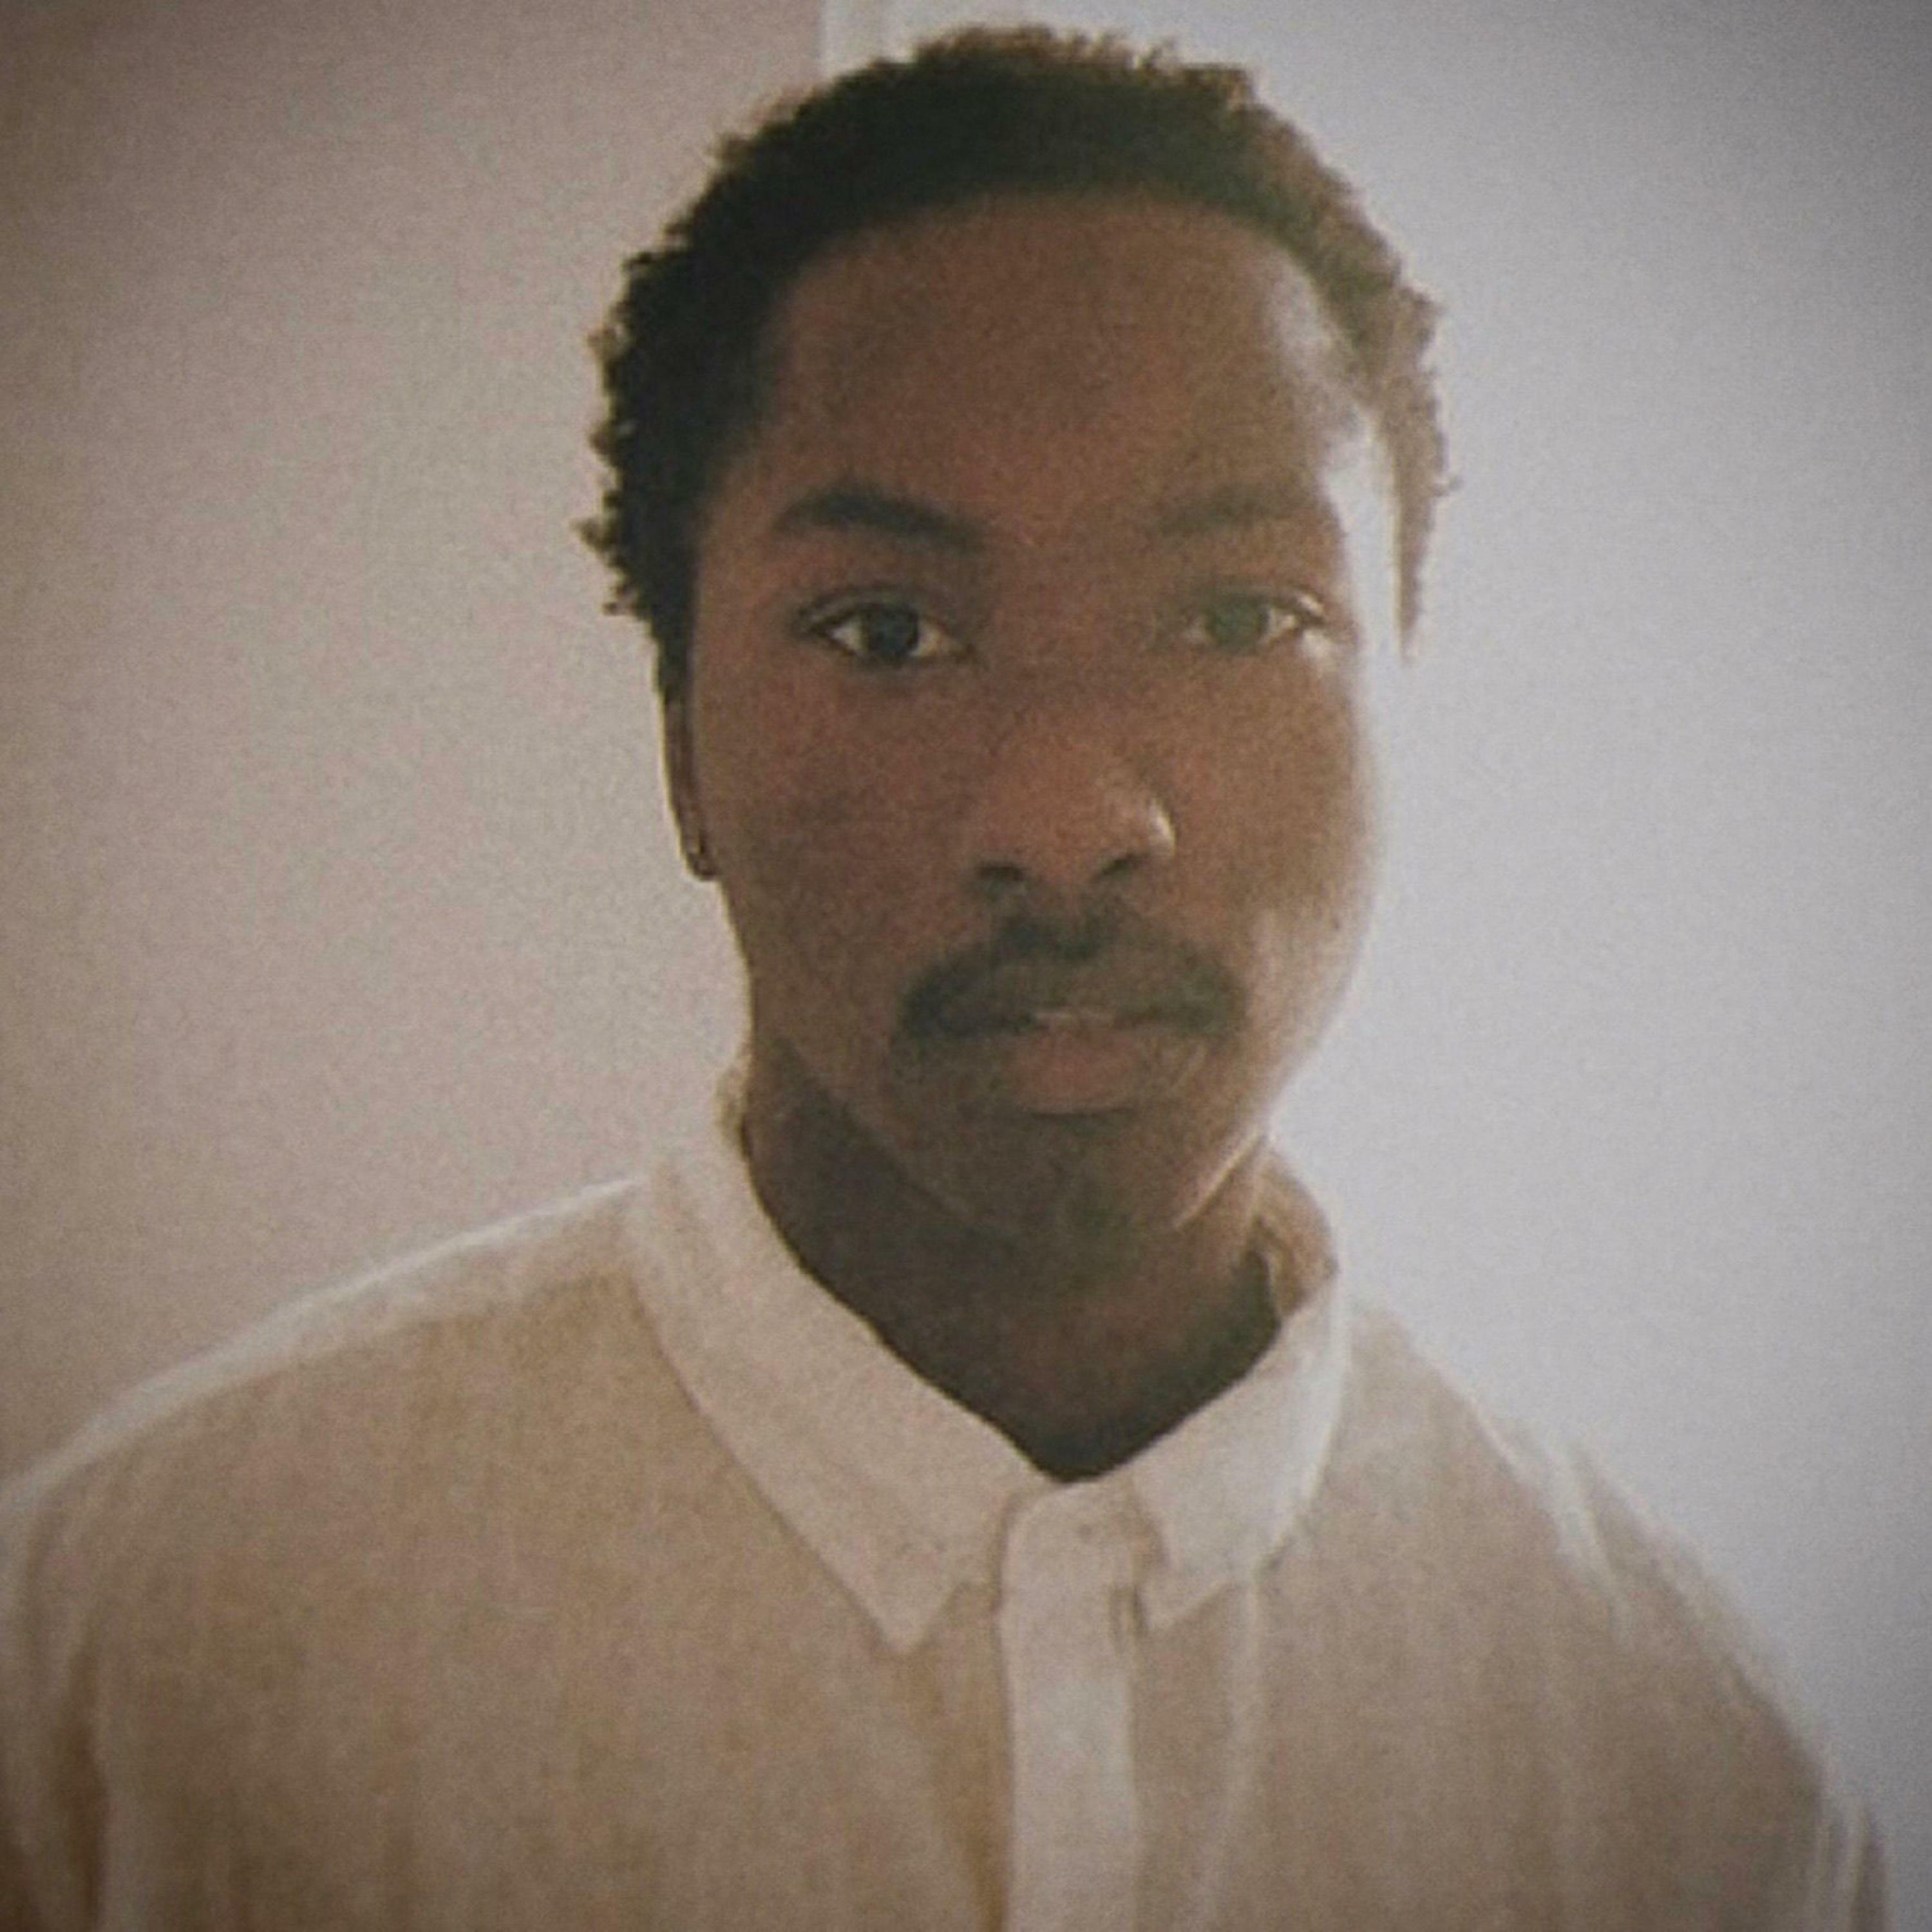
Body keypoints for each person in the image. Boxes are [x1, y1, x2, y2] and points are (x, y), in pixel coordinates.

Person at [0, 28, 1886, 1931]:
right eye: (889, 632)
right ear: (680, 742)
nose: (1070, 822)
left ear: (1408, 695)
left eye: (1241, 617)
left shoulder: (1689, 1766)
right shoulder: (130, 1662)